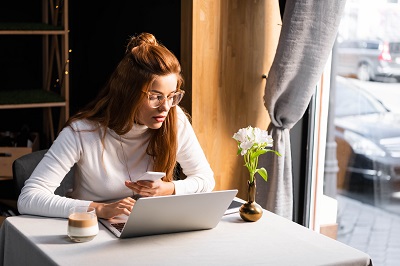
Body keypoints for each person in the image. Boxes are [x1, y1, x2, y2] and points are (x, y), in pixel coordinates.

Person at [17, 32, 215, 219]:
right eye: (155, 97)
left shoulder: (174, 119)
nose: (165, 107)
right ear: (128, 94)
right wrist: (100, 209)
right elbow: (29, 198)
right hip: (89, 229)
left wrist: (169, 189)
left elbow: (206, 179)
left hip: (144, 225)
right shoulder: (82, 132)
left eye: (172, 96)